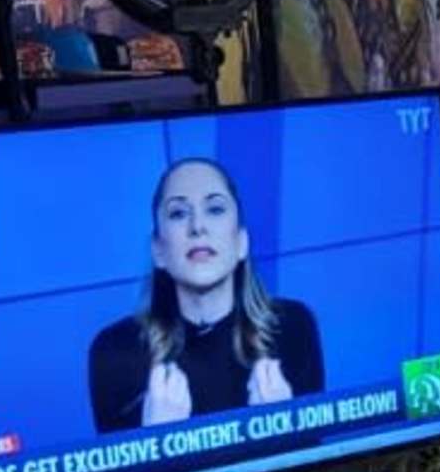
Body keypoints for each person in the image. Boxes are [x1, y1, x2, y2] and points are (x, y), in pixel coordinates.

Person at [86, 155, 324, 432]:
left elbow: (316, 468)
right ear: (158, 251)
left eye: (215, 209)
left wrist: (284, 431)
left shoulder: (293, 326)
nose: (197, 226)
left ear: (241, 243)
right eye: (178, 213)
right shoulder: (115, 350)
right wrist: (155, 442)